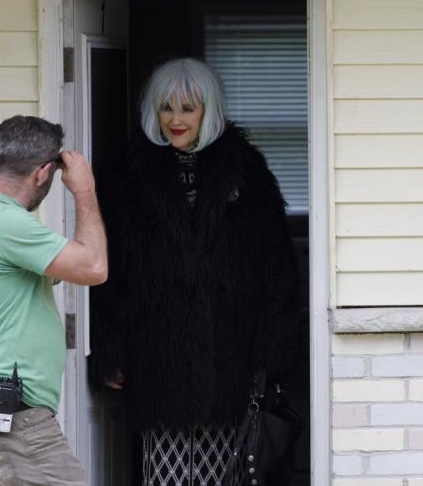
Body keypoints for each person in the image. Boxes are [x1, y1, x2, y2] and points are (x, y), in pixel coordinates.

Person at [89, 58, 300, 486]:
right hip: (156, 351)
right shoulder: (129, 175)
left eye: (188, 108)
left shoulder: (245, 171)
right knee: (163, 471)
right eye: (167, 108)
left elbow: (276, 264)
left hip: (229, 349)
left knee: (224, 468)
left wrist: (270, 349)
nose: (176, 120)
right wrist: (110, 347)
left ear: (208, 110)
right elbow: (108, 270)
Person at [0, 115, 108, 485]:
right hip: (11, 418)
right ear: (44, 173)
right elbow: (93, 267)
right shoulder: (3, 222)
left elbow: (58, 269)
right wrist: (85, 191)